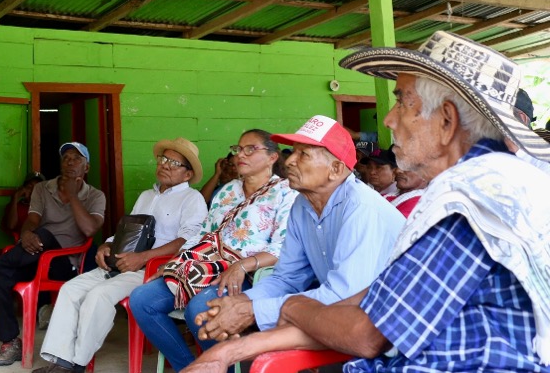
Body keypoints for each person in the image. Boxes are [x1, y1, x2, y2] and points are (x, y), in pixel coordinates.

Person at [183, 31, 550, 373]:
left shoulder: (471, 201)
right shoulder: (488, 185)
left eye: (402, 102)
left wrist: (290, 307)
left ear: (446, 121)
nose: (388, 119)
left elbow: (366, 332)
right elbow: (372, 302)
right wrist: (233, 348)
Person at [191, 116, 404, 350]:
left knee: (258, 347)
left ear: (335, 169)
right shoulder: (302, 205)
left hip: (389, 335)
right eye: (293, 152)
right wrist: (241, 302)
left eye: (303, 154)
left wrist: (251, 310)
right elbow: (287, 279)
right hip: (344, 323)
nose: (290, 161)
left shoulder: (360, 207)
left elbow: (343, 297)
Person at [32, 138, 208, 373]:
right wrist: (106, 246)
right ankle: (60, 360)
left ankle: (77, 364)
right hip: (123, 263)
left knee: (98, 295)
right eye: (163, 159)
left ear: (188, 174)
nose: (165, 165)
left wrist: (143, 257)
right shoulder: (147, 196)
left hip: (152, 270)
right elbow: (127, 230)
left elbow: (188, 241)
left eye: (174, 163)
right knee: (70, 289)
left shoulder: (192, 199)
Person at [128, 130, 299, 372]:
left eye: (250, 149)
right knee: (142, 299)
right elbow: (204, 233)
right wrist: (177, 261)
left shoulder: (286, 193)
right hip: (206, 266)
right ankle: (189, 368)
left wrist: (241, 266)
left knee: (200, 309)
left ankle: (220, 367)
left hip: (250, 274)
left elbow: (282, 247)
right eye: (238, 149)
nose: (241, 155)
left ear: (272, 157)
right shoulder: (228, 191)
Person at [0, 142, 106, 366]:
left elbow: (90, 229)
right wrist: (25, 234)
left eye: (76, 158)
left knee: (44, 234)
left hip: (66, 263)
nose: (70, 162)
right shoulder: (43, 188)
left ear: (87, 167)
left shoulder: (95, 196)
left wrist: (73, 196)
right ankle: (11, 342)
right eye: (66, 158)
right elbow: (32, 220)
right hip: (35, 256)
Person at [2, 171, 47, 239]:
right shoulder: (16, 206)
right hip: (24, 241)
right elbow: (11, 226)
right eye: (29, 187)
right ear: (24, 189)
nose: (33, 191)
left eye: (37, 188)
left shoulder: (46, 206)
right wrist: (15, 198)